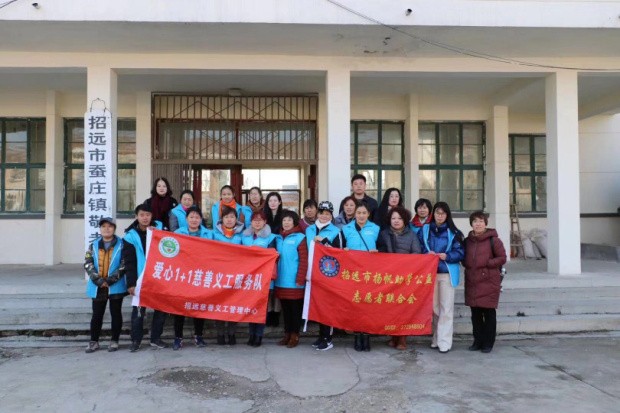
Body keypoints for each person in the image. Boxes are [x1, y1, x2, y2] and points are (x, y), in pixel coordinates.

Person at [418, 201, 465, 353]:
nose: (440, 216)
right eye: (437, 213)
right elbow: (418, 247)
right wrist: (427, 254)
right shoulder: (425, 230)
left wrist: (448, 256)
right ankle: (436, 338)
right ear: (433, 214)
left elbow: (460, 252)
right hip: (430, 274)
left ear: (447, 215)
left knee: (446, 308)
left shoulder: (454, 232)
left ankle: (444, 342)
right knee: (434, 309)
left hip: (446, 273)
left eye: (443, 213)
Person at [84, 217, 136, 353]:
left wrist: (111, 280)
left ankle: (114, 341)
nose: (107, 229)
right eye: (104, 226)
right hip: (98, 286)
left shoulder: (122, 244)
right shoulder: (93, 245)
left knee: (116, 314)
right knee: (97, 315)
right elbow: (88, 263)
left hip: (115, 285)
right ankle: (94, 341)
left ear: (114, 228)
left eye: (110, 226)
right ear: (100, 229)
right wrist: (98, 280)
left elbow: (124, 264)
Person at [124, 203, 167, 352]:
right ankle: (136, 340)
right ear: (136, 216)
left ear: (151, 216)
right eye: (141, 215)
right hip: (140, 278)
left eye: (147, 215)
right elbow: (129, 262)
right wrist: (131, 283)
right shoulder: (130, 236)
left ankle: (156, 338)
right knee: (138, 312)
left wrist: (158, 235)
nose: (145, 218)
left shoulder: (161, 229)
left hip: (159, 277)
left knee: (161, 310)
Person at [377, 206, 421, 351]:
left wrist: (404, 263)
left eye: (399, 218)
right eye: (393, 218)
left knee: (403, 308)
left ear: (405, 220)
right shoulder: (384, 234)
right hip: (389, 277)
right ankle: (393, 336)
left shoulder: (412, 235)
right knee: (391, 307)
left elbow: (417, 253)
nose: (396, 221)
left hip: (406, 277)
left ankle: (402, 338)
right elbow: (380, 253)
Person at [463, 211, 507, 354]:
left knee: (488, 313)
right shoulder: (467, 241)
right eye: (475, 221)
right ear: (471, 224)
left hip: (489, 281)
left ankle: (488, 343)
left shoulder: (494, 240)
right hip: (473, 281)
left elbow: (502, 258)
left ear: (485, 223)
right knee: (475, 314)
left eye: (481, 221)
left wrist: (488, 263)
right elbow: (463, 257)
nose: (478, 224)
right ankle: (477, 341)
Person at [341, 201, 380, 352]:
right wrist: (343, 250)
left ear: (368, 214)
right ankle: (357, 335)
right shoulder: (346, 229)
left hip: (370, 273)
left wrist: (377, 251)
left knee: (368, 304)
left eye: (364, 213)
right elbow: (339, 247)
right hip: (353, 273)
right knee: (356, 304)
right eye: (358, 213)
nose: (361, 216)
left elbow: (382, 247)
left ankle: (367, 335)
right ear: (354, 214)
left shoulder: (375, 228)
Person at [172, 206, 213, 350]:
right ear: (186, 219)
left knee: (198, 306)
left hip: (201, 275)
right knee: (179, 308)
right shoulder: (178, 233)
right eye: (191, 217)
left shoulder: (208, 234)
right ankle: (178, 338)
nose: (194, 220)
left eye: (197, 217)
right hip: (183, 276)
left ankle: (198, 336)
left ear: (201, 219)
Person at [306, 200, 342, 351]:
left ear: (331, 216)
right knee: (318, 306)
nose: (324, 216)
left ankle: (328, 339)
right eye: (322, 213)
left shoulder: (336, 231)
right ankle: (321, 336)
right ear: (317, 214)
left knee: (328, 307)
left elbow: (339, 253)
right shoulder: (309, 230)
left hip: (329, 275)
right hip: (312, 273)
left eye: (328, 214)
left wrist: (325, 241)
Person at [241, 210, 281, 347]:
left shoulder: (272, 237)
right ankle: (251, 334)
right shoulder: (244, 236)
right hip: (249, 278)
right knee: (250, 308)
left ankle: (258, 336)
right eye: (255, 220)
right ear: (251, 222)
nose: (257, 222)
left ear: (265, 222)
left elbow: (274, 256)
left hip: (264, 279)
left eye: (260, 220)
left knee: (261, 309)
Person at [212, 205, 245, 345]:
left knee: (233, 304)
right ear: (222, 219)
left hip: (236, 275)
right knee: (220, 305)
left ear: (236, 219)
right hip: (219, 275)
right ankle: (220, 334)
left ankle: (232, 333)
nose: (229, 219)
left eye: (232, 217)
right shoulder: (214, 234)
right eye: (226, 217)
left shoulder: (242, 235)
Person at [275, 210, 308, 349]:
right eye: (284, 220)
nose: (286, 223)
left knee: (295, 310)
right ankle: (287, 334)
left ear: (294, 222)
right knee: (286, 310)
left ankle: (295, 335)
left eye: (289, 220)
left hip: (295, 281)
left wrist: (300, 278)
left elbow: (304, 260)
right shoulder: (278, 238)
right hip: (281, 280)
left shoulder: (300, 238)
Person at [263, 191, 284, 326]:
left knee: (278, 284)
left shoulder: (284, 216)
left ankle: (276, 313)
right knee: (268, 285)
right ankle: (268, 312)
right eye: (270, 200)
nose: (273, 203)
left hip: (281, 252)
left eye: (275, 200)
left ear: (280, 202)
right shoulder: (264, 216)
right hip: (267, 253)